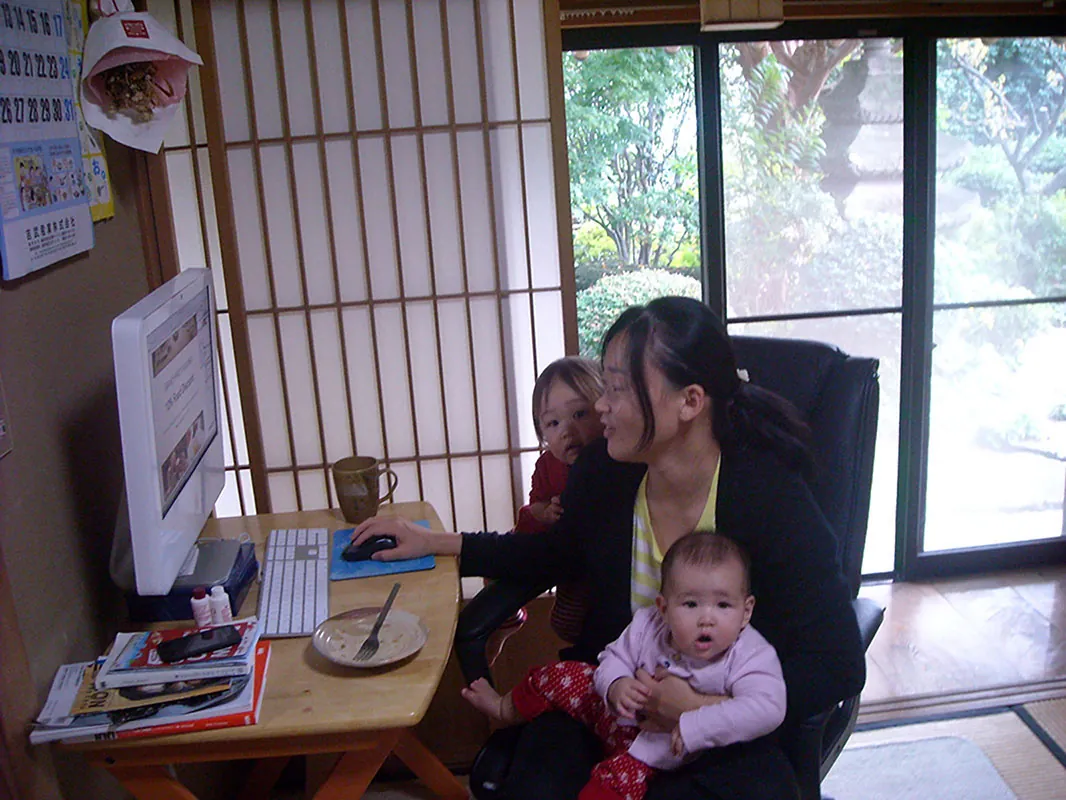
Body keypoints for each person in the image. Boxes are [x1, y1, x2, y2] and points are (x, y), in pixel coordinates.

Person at [350, 295, 865, 800]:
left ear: (690, 401)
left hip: (724, 730)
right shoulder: (605, 474)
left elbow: (836, 662)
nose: (600, 406)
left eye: (617, 388)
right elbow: (552, 554)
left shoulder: (766, 495)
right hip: (607, 695)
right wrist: (439, 543)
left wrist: (705, 705)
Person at [462, 531, 785, 800]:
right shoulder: (649, 624)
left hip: (658, 748)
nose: (707, 618)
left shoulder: (749, 654)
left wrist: (693, 722)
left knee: (612, 785)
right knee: (561, 674)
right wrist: (615, 684)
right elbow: (612, 658)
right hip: (612, 710)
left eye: (723, 605)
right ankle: (505, 708)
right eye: (690, 603)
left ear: (746, 611)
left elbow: (768, 708)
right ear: (663, 606)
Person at [487, 356, 605, 662]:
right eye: (553, 423)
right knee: (496, 566)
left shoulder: (613, 462)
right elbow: (532, 509)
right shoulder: (547, 466)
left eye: (580, 413)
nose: (567, 430)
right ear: (542, 434)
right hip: (553, 551)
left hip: (597, 565)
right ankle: (507, 618)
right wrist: (543, 512)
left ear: (606, 411)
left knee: (579, 621)